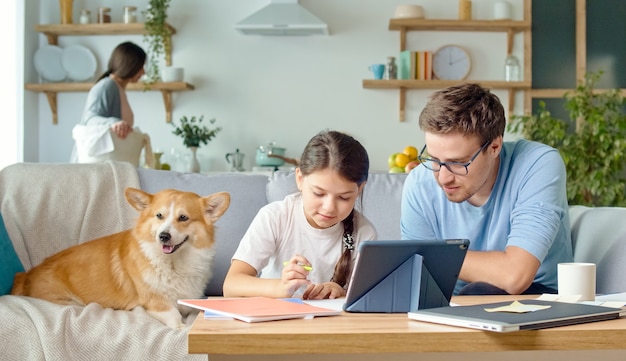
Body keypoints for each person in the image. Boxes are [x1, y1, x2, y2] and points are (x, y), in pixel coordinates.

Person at [401, 83, 573, 296]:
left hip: (537, 296)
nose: (443, 177)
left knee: (479, 291)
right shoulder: (419, 182)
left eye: (458, 162)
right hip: (454, 303)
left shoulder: (538, 164)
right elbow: (418, 275)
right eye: (435, 160)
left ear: (494, 147)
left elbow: (515, 276)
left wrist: (432, 256)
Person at [223, 130, 377, 300]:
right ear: (300, 179)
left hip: (333, 326)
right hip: (275, 323)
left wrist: (340, 293)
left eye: (343, 197)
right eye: (319, 193)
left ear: (359, 189)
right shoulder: (275, 217)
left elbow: (368, 297)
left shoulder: (364, 234)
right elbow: (231, 285)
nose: (329, 208)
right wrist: (280, 287)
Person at [71, 41, 147, 163]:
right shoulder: (107, 86)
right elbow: (89, 119)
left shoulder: (118, 88)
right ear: (129, 65)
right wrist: (114, 123)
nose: (143, 72)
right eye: (140, 66)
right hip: (102, 167)